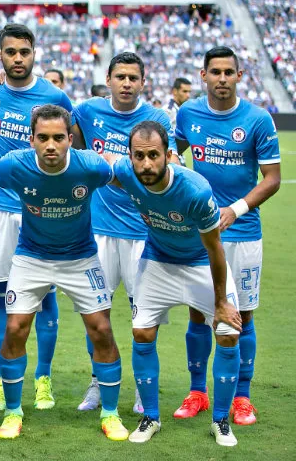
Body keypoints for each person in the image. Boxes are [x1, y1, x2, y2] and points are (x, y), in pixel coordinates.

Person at [0, 105, 128, 442]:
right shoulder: (16, 164)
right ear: (32, 139)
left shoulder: (90, 165)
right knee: (15, 328)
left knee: (102, 330)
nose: (51, 145)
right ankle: (12, 412)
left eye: (58, 138)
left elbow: (132, 180)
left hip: (80, 258)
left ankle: (110, 413)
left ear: (70, 139)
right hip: (31, 257)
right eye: (43, 138)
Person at [107, 121, 243, 447]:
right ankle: (151, 417)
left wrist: (221, 302)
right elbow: (101, 163)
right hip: (158, 261)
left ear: (168, 155)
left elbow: (215, 248)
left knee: (228, 332)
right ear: (130, 156)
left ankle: (221, 421)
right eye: (139, 156)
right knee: (142, 332)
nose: (146, 164)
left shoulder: (195, 190)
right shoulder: (126, 172)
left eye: (154, 155)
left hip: (201, 263)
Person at [0, 24, 72, 412]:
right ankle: (2, 377)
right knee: (0, 294)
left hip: (41, 209)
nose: (18, 58)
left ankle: (43, 378)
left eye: (24, 51)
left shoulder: (54, 97)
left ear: (34, 53)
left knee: (45, 295)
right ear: (0, 55)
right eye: (11, 52)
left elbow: (73, 141)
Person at [173, 46, 280, 426]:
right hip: (199, 233)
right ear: (203, 76)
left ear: (239, 76)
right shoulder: (188, 113)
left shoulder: (257, 119)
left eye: (228, 72)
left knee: (242, 316)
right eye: (215, 72)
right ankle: (197, 392)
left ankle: (242, 397)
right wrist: (178, 168)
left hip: (243, 232)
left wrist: (236, 209)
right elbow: (172, 151)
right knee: (198, 313)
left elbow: (272, 179)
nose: (222, 78)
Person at [71, 52, 177, 414]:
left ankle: (142, 388)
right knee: (95, 314)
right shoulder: (88, 111)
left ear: (143, 82)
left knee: (143, 318)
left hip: (144, 234)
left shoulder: (157, 119)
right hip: (98, 232)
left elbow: (167, 167)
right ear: (108, 79)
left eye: (133, 78)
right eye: (121, 77)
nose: (127, 84)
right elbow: (54, 120)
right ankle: (98, 383)